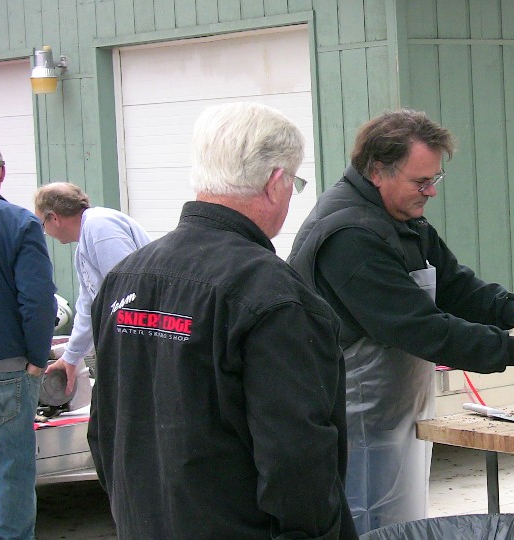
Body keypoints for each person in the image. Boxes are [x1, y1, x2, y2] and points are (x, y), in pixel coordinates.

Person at [288, 109, 514, 534]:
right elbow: (424, 329)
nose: (431, 192)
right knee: (372, 526)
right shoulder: (350, 236)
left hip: (394, 414)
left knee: (404, 524)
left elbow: (454, 284)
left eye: (435, 179)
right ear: (378, 171)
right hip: (356, 421)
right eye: (421, 182)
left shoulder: (397, 216)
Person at [88, 102, 357, 539]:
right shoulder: (273, 296)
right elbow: (296, 459)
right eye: (294, 183)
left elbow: (105, 428)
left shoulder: (124, 278)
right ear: (274, 182)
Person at [34, 182, 151, 411]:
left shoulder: (100, 228)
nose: (45, 232)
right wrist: (70, 358)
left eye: (42, 224)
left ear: (54, 217)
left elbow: (130, 292)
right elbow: (88, 306)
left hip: (141, 344)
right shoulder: (86, 242)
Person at [0, 142, 57, 540]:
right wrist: (36, 358)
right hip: (7, 367)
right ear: (1, 172)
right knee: (14, 467)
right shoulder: (18, 223)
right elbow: (38, 299)